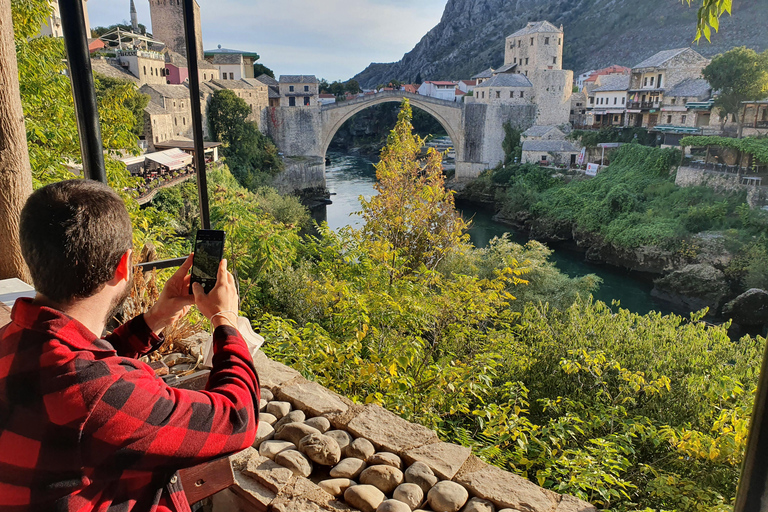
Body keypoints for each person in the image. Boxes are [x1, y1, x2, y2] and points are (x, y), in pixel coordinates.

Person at [0, 180, 260, 511]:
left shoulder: (13, 339)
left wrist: (156, 318)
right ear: (123, 265)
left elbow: (78, 368)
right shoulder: (100, 396)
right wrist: (225, 321)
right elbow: (237, 418)